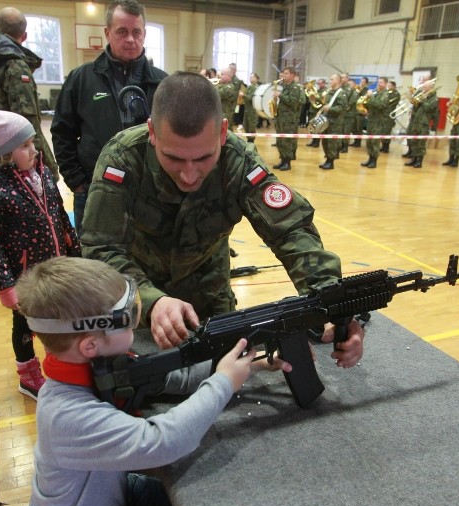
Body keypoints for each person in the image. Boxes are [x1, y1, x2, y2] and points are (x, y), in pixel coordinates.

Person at [18, 255, 291, 506]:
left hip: (107, 498)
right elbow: (162, 442)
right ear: (90, 344)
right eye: (130, 316)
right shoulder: (65, 415)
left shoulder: (98, 367)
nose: (139, 319)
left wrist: (249, 366)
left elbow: (172, 376)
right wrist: (224, 382)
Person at [80, 72, 365, 365]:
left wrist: (334, 305)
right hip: (137, 304)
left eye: (203, 158)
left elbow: (291, 231)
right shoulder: (123, 158)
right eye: (174, 158)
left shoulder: (238, 160)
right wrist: (153, 302)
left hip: (211, 301)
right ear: (152, 131)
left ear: (222, 132)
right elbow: (101, 249)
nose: (189, 175)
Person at [0, 111, 80, 400]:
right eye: (24, 146)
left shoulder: (42, 172)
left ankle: (57, 359)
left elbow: (60, 215)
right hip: (23, 276)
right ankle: (28, 375)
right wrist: (6, 286)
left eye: (32, 142)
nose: (34, 150)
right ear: (5, 154)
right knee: (24, 325)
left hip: (56, 267)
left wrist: (74, 250)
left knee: (56, 316)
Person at [52, 0, 167, 235]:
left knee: (145, 264)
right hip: (94, 191)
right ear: (107, 33)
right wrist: (77, 181)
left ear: (144, 34)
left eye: (137, 32)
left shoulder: (163, 83)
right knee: (94, 265)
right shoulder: (81, 79)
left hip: (148, 195)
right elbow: (62, 132)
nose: (131, 39)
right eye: (122, 32)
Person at [0, 7, 59, 179]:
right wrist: (49, 167)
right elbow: (28, 124)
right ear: (24, 36)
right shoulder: (14, 65)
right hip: (15, 162)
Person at [272, 66, 305, 172]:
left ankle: (287, 162)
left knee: (288, 141)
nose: (284, 75)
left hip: (289, 119)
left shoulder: (295, 87)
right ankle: (282, 159)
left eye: (286, 73)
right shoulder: (284, 86)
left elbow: (293, 102)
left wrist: (280, 95)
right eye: (284, 73)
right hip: (281, 118)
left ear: (292, 75)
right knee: (280, 140)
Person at [405, 78, 439, 169]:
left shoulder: (434, 99)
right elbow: (416, 106)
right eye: (423, 87)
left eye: (425, 87)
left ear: (430, 88)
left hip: (423, 124)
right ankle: (414, 159)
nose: (423, 89)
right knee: (414, 141)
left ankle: (419, 161)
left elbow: (428, 107)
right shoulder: (423, 95)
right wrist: (415, 98)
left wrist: (422, 99)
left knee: (420, 143)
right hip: (416, 121)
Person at [319, 73, 350, 170]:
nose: (330, 81)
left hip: (335, 122)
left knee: (332, 142)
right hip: (327, 121)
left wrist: (330, 108)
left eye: (332, 79)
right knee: (325, 141)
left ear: (337, 81)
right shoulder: (329, 92)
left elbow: (342, 108)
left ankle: (331, 161)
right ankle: (327, 159)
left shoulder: (341, 93)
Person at [360, 77, 391, 169]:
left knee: (375, 141)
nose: (379, 84)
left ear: (385, 84)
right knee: (369, 141)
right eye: (378, 82)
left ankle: (374, 160)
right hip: (371, 119)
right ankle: (370, 158)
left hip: (379, 121)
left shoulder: (386, 94)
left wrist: (371, 97)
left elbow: (380, 105)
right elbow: (371, 104)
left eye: (381, 82)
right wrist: (365, 106)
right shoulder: (376, 92)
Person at [381, 80, 401, 154]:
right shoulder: (387, 92)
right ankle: (383, 146)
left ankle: (386, 147)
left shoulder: (396, 94)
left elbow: (389, 103)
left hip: (389, 115)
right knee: (383, 131)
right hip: (383, 115)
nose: (388, 87)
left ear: (393, 86)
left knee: (387, 131)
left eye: (389, 86)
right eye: (388, 86)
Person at [243, 72, 260, 143]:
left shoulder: (256, 88)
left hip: (252, 110)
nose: (250, 78)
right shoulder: (249, 87)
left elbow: (251, 98)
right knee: (245, 125)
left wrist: (243, 95)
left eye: (252, 77)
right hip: (247, 109)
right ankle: (249, 139)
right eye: (250, 77)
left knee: (251, 126)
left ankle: (251, 141)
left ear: (256, 79)